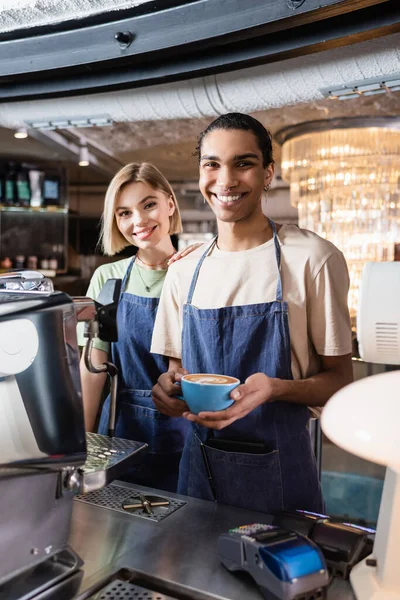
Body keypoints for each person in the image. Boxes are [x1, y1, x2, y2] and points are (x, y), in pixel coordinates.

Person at [150, 113, 353, 513]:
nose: (225, 180)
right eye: (212, 164)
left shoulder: (313, 258)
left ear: (268, 174)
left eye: (243, 163)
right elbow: (176, 372)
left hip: (280, 480)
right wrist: (167, 391)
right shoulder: (183, 270)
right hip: (197, 475)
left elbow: (339, 381)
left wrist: (275, 388)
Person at [78, 162, 200, 492]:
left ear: (169, 204)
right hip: (119, 430)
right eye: (124, 213)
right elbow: (93, 367)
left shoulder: (199, 273)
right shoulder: (108, 278)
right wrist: (82, 446)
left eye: (148, 205)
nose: (139, 221)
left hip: (187, 428)